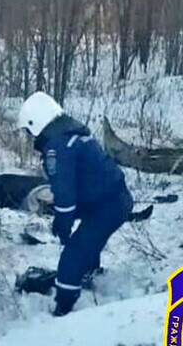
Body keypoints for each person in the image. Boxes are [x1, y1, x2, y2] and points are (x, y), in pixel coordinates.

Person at [16, 91, 133, 317]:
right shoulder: (73, 136)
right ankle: (88, 271)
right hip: (114, 199)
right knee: (87, 238)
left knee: (73, 255)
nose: (30, 137)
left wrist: (63, 222)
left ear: (37, 123)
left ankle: (65, 305)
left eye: (29, 131)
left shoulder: (57, 148)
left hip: (107, 206)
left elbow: (65, 193)